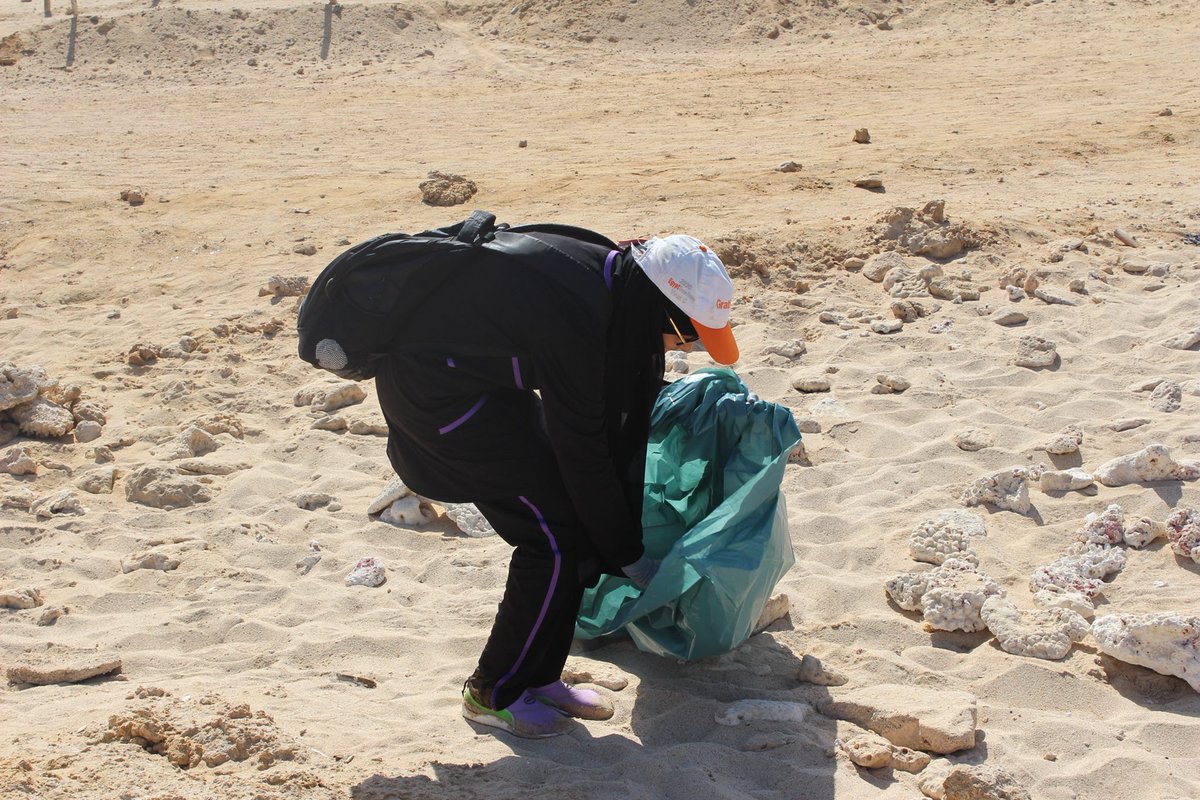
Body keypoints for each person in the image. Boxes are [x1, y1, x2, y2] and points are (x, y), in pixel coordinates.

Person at [372, 227, 740, 738]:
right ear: (663, 311)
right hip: (442, 406)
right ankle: (491, 693)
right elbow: (583, 450)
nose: (689, 347)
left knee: (567, 528)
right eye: (688, 336)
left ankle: (536, 677)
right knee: (552, 542)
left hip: (484, 389)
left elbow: (601, 402)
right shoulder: (580, 325)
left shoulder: (611, 283)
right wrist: (629, 555)